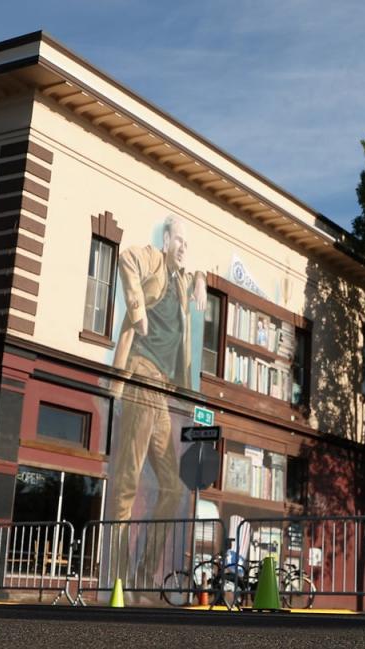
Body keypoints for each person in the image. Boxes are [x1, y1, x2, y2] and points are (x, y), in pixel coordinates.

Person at [109, 215, 206, 583]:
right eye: (178, 240)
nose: (182, 247)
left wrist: (200, 280)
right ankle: (116, 579)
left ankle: (144, 573)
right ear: (166, 240)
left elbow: (197, 271)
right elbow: (126, 259)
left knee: (172, 486)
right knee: (126, 482)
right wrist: (137, 311)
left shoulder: (181, 279)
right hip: (141, 375)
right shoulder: (153, 259)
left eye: (187, 243)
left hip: (162, 389)